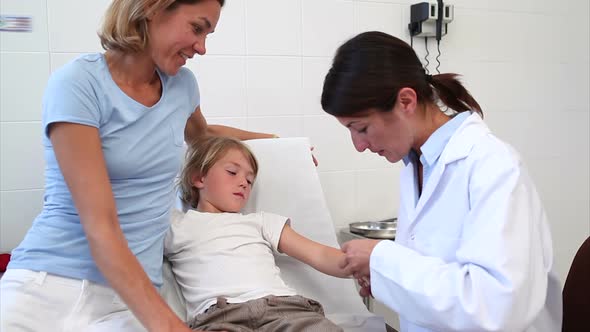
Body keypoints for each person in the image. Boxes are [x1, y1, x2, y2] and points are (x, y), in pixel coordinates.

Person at [0, 1, 276, 331]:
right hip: (47, 281)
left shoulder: (182, 86)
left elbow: (203, 137)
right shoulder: (78, 83)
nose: (202, 47)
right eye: (197, 28)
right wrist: (172, 326)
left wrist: (277, 141)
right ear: (152, 8)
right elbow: (101, 227)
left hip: (125, 300)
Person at [321, 31, 562, 332]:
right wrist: (391, 282)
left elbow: (497, 306)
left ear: (406, 101)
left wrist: (384, 261)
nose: (358, 145)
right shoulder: (417, 164)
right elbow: (435, 271)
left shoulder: (493, 166)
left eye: (361, 128)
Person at [165, 136, 350, 332]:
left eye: (249, 180)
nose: (244, 183)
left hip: (282, 309)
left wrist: (364, 266)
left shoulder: (259, 222)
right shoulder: (177, 225)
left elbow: (319, 253)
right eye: (232, 172)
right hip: (218, 318)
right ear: (198, 178)